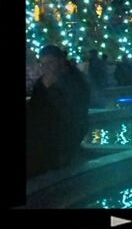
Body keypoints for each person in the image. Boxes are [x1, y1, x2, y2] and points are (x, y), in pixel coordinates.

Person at [27, 45, 91, 177]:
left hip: (65, 134)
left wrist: (50, 89)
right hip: (45, 132)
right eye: (43, 63)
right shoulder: (43, 82)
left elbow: (71, 113)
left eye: (50, 63)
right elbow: (34, 109)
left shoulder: (75, 81)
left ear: (61, 62)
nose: (46, 67)